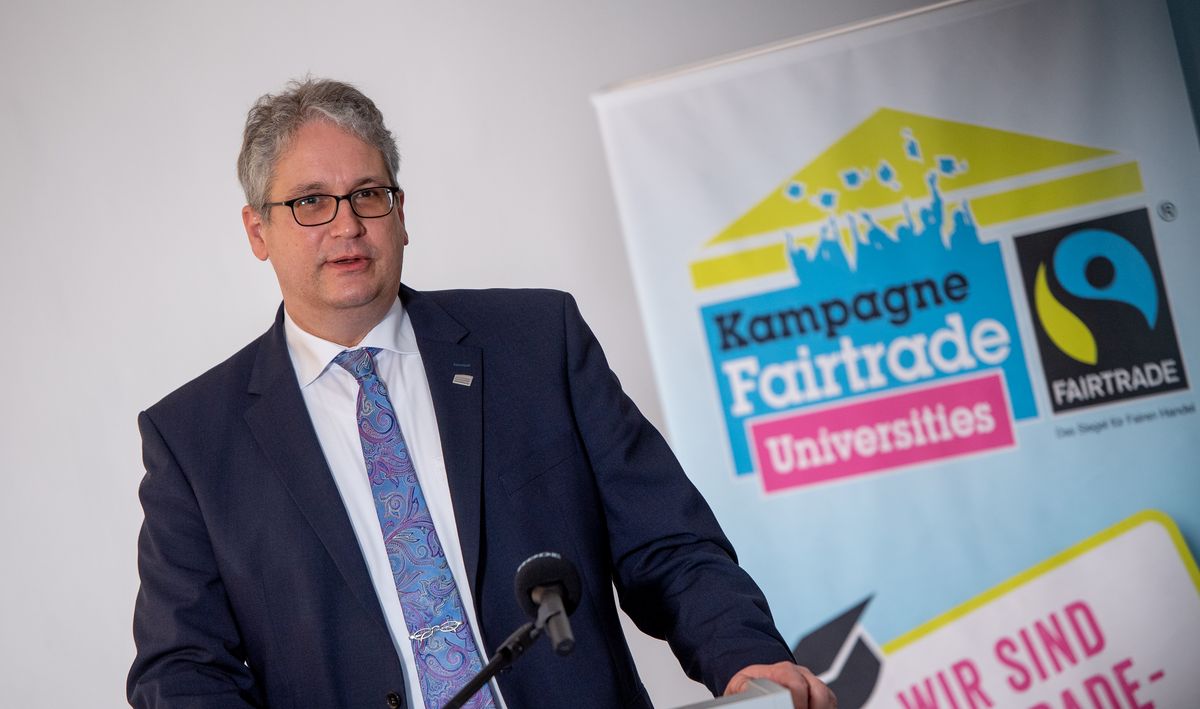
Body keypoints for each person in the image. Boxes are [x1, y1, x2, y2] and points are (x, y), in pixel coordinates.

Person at [128, 77, 835, 709]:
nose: (347, 225)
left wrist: (747, 659)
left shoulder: (535, 343)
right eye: (311, 201)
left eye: (368, 194)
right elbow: (184, 668)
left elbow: (670, 545)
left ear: (400, 212)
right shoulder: (194, 441)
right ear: (258, 229)